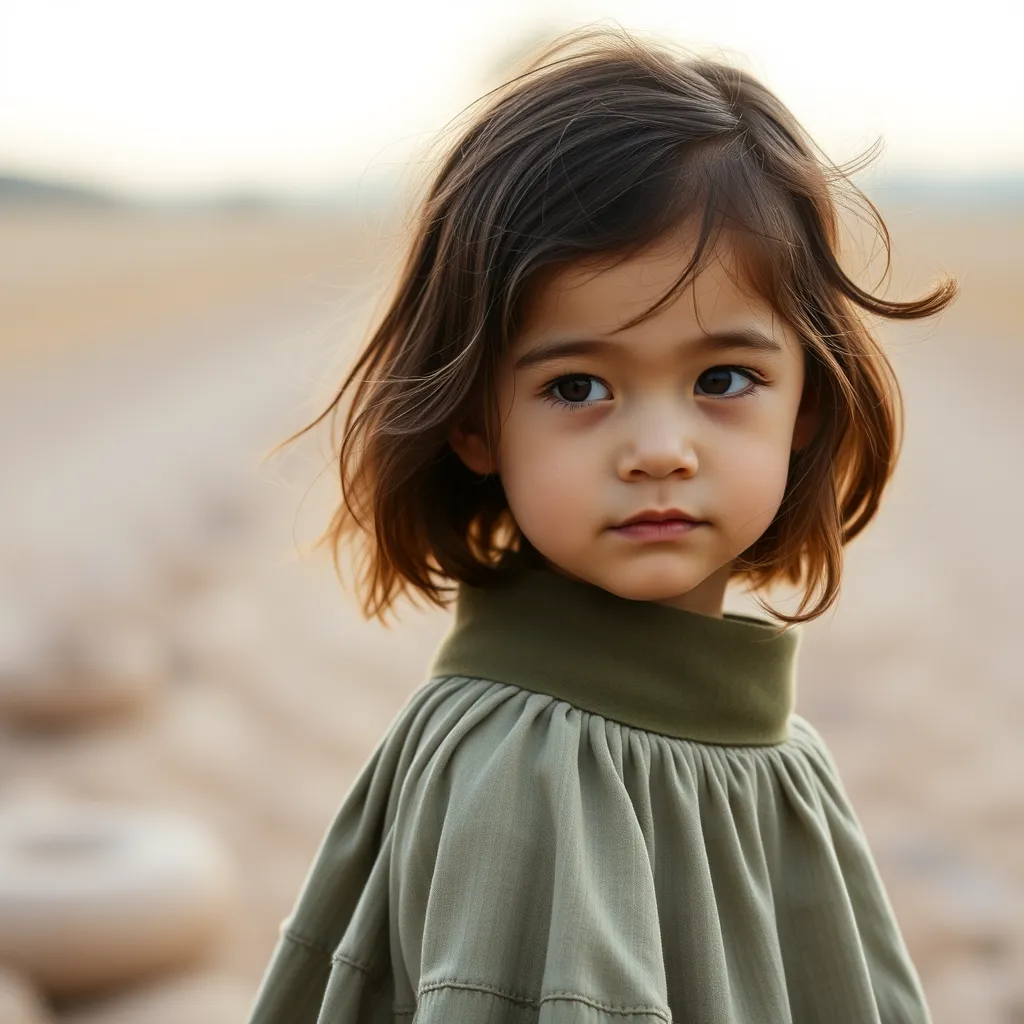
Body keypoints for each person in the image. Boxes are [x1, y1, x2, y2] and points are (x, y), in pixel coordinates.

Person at [246, 24, 956, 1024]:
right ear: (475, 419)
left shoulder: (777, 752)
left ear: (805, 398)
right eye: (578, 385)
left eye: (722, 379)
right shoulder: (524, 768)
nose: (658, 448)